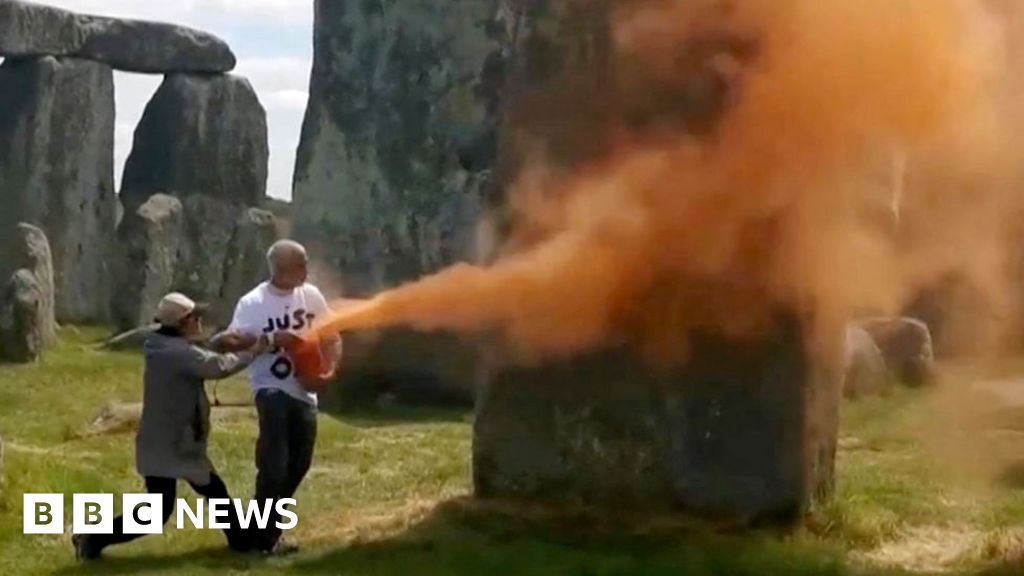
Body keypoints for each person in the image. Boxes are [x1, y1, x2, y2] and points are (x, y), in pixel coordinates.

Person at [73, 292, 268, 561]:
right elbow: (218, 366)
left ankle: (241, 540)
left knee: (207, 493)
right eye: (195, 317)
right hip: (173, 444)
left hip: (168, 440)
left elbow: (200, 354)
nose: (200, 321)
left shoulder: (164, 344)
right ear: (181, 323)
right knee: (166, 509)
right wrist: (255, 350)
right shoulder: (177, 353)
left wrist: (225, 342)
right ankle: (91, 539)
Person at [212, 239, 342, 555]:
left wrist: (329, 372)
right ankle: (264, 537)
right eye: (302, 264)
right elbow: (225, 342)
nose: (307, 270)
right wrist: (270, 339)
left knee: (299, 464)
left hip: (305, 392)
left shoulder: (311, 296)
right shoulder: (253, 303)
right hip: (270, 387)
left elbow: (332, 337)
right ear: (282, 269)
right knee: (274, 463)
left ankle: (262, 532)